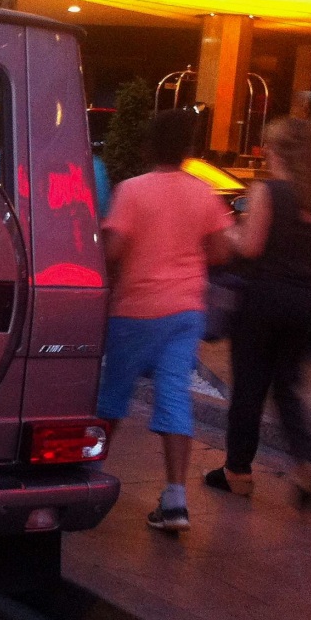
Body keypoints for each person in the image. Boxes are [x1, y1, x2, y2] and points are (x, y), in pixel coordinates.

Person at [98, 108, 232, 532]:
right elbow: (222, 251)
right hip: (185, 312)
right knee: (174, 395)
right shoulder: (203, 192)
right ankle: (176, 498)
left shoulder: (132, 190)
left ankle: (85, 475)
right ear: (188, 150)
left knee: (112, 397)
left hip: (135, 310)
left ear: (148, 145)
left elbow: (113, 251)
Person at [204, 117, 311, 505]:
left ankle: (238, 472)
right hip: (303, 301)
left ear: (279, 152)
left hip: (262, 300)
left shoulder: (269, 191)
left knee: (250, 387)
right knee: (287, 388)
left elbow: (251, 247)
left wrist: (230, 232)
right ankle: (308, 463)